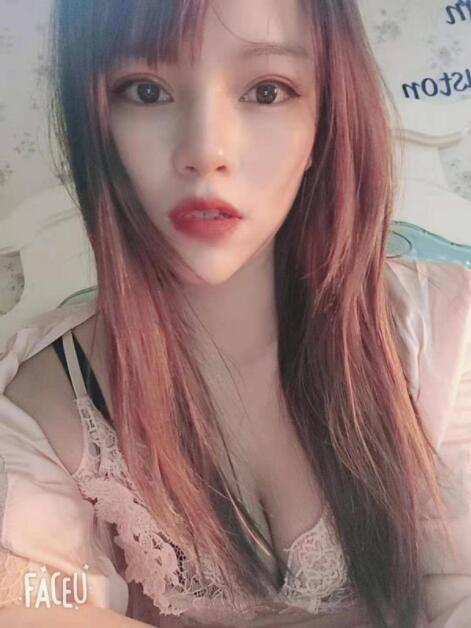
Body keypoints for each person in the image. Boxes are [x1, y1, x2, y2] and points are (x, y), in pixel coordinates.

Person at [0, 0, 470, 626]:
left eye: (266, 91)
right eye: (146, 91)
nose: (206, 150)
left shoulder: (443, 335)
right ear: (98, 126)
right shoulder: (43, 404)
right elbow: (33, 604)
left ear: (324, 122)